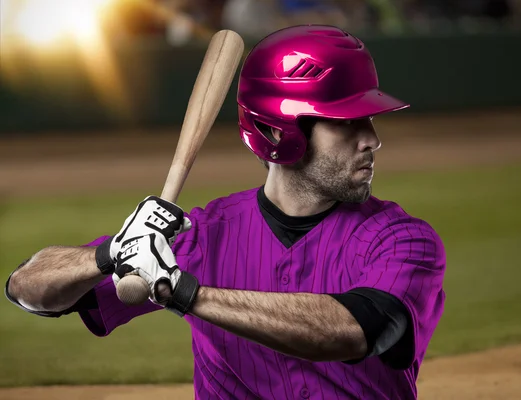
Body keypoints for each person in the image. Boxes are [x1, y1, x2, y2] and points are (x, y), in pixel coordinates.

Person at [5, 25, 446, 400]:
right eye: (347, 122)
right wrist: (110, 255)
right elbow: (27, 288)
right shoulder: (206, 234)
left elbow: (355, 330)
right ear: (277, 129)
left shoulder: (402, 239)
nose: (371, 139)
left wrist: (185, 292)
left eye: (368, 120)